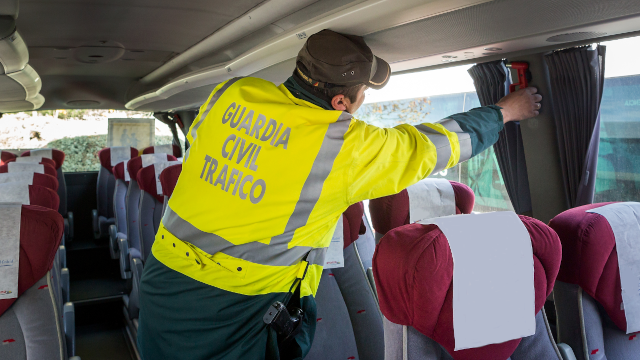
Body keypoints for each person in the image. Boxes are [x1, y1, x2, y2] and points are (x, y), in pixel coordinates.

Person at [137, 29, 542, 360]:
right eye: (363, 94)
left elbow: (214, 148)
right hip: (231, 310)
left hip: (162, 282)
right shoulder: (338, 145)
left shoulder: (232, 94)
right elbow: (434, 145)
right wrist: (505, 111)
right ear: (340, 102)